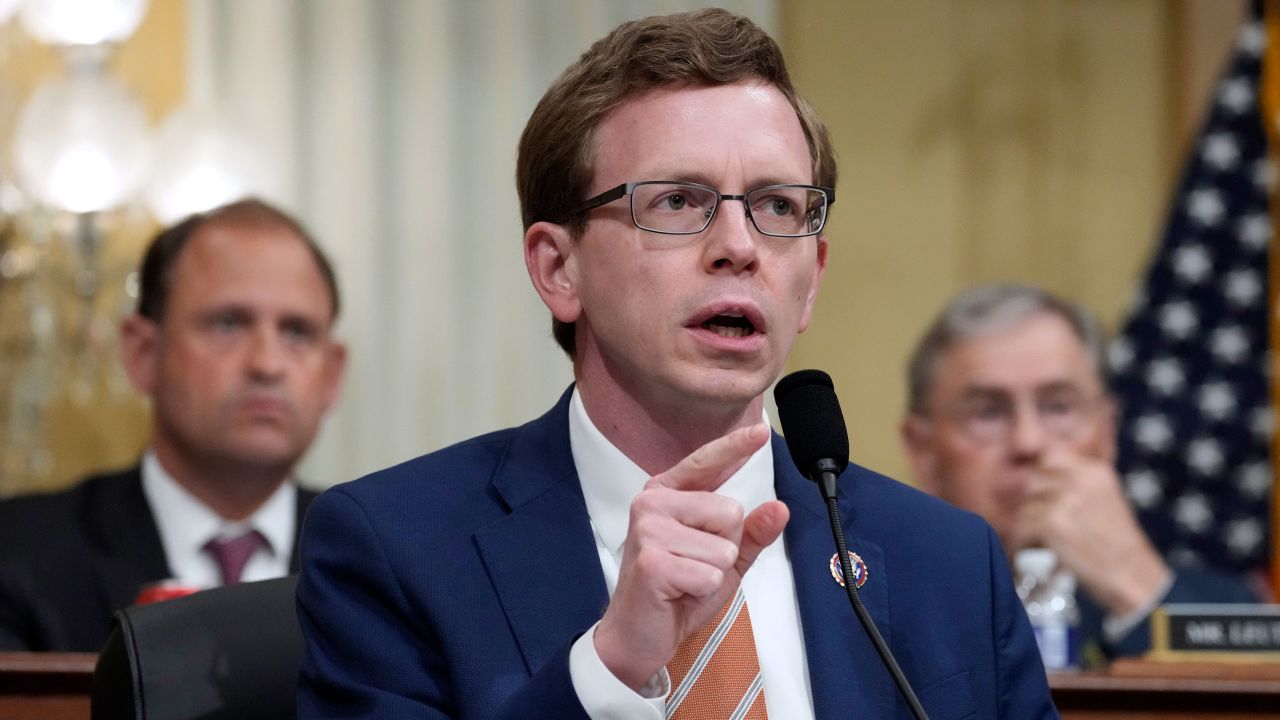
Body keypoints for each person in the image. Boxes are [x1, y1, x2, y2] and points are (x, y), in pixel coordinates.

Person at [297, 10, 1055, 719]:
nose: (740, 245)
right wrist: (608, 670)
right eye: (677, 202)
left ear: (813, 278)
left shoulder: (951, 564)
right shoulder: (396, 552)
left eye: (778, 207)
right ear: (559, 268)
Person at [0, 198, 347, 652]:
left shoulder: (378, 565)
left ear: (332, 376)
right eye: (228, 323)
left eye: (297, 332)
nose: (267, 364)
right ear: (143, 353)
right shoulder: (18, 552)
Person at [900, 283, 1257, 662]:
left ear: (1107, 433)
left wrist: (1136, 588)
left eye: (1058, 407)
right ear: (923, 451)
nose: (1028, 442)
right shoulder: (871, 606)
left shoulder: (1228, 606)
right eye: (987, 412)